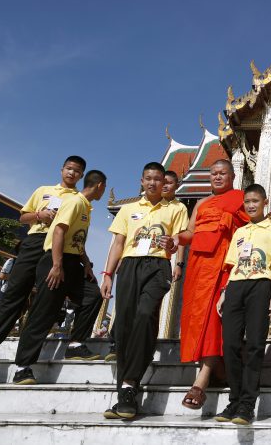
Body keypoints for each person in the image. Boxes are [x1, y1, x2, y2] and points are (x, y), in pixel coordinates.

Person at [0, 156, 103, 373]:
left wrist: (85, 262)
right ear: (61, 169)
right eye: (68, 169)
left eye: (77, 171)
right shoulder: (43, 191)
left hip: (61, 249)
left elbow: (76, 235)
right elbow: (23, 217)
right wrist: (41, 214)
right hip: (36, 241)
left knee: (48, 302)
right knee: (15, 293)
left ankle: (29, 361)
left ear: (82, 176)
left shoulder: (79, 199)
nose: (71, 174)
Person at [100, 162, 189, 419]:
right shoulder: (128, 209)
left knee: (144, 316)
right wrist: (107, 275)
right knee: (126, 325)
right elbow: (118, 243)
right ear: (141, 180)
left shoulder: (177, 209)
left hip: (157, 265)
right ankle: (124, 393)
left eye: (157, 179)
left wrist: (173, 249)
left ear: (164, 183)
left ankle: (130, 385)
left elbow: (179, 239)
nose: (152, 183)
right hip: (129, 266)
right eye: (148, 179)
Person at [11, 171, 107, 384]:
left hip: (73, 262)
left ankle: (74, 344)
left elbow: (77, 239)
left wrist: (87, 263)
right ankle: (23, 367)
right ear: (99, 186)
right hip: (56, 260)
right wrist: (56, 265)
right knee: (44, 311)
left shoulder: (86, 207)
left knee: (93, 295)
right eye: (104, 187)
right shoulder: (74, 202)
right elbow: (58, 232)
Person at [174, 160, 248, 410]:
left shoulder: (240, 199)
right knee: (197, 319)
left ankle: (200, 383)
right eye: (214, 174)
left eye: (222, 174)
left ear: (233, 176)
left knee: (214, 321)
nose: (217, 177)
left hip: (224, 266)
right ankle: (218, 370)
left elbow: (251, 231)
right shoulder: (201, 203)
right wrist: (175, 239)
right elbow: (190, 233)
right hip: (197, 267)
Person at [214, 184, 271, 425]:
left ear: (265, 202)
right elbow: (232, 265)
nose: (251, 205)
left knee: (255, 345)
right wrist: (225, 292)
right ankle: (234, 399)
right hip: (236, 286)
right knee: (231, 345)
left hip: (260, 285)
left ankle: (247, 404)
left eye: (256, 201)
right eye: (247, 202)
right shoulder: (240, 232)